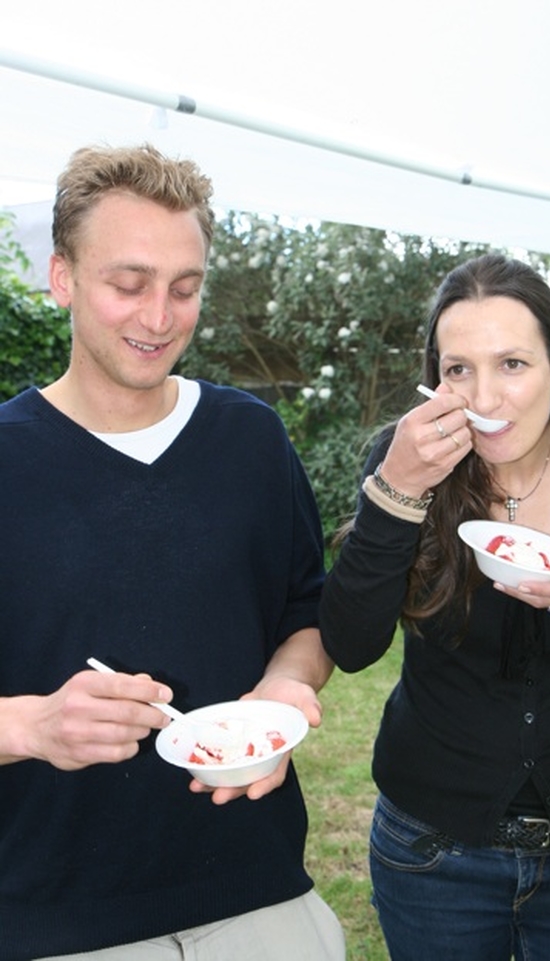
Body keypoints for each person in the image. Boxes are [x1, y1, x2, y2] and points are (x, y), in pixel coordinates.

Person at [0, 143, 344, 961]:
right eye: (129, 284)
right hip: (56, 918)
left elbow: (308, 611)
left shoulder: (250, 437)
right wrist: (33, 724)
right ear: (62, 278)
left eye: (184, 288)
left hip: (258, 890)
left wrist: (285, 687)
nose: (160, 317)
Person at [319, 253, 550, 960]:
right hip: (431, 854)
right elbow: (350, 642)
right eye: (458, 368)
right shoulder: (403, 459)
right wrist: (397, 489)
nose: (485, 398)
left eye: (513, 364)